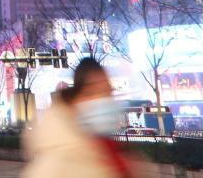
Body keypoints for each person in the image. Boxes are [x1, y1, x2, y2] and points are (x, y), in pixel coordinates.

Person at [23, 58, 151, 178]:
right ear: (75, 99)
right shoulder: (53, 166)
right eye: (93, 92)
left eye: (107, 91)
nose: (104, 99)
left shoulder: (116, 155)